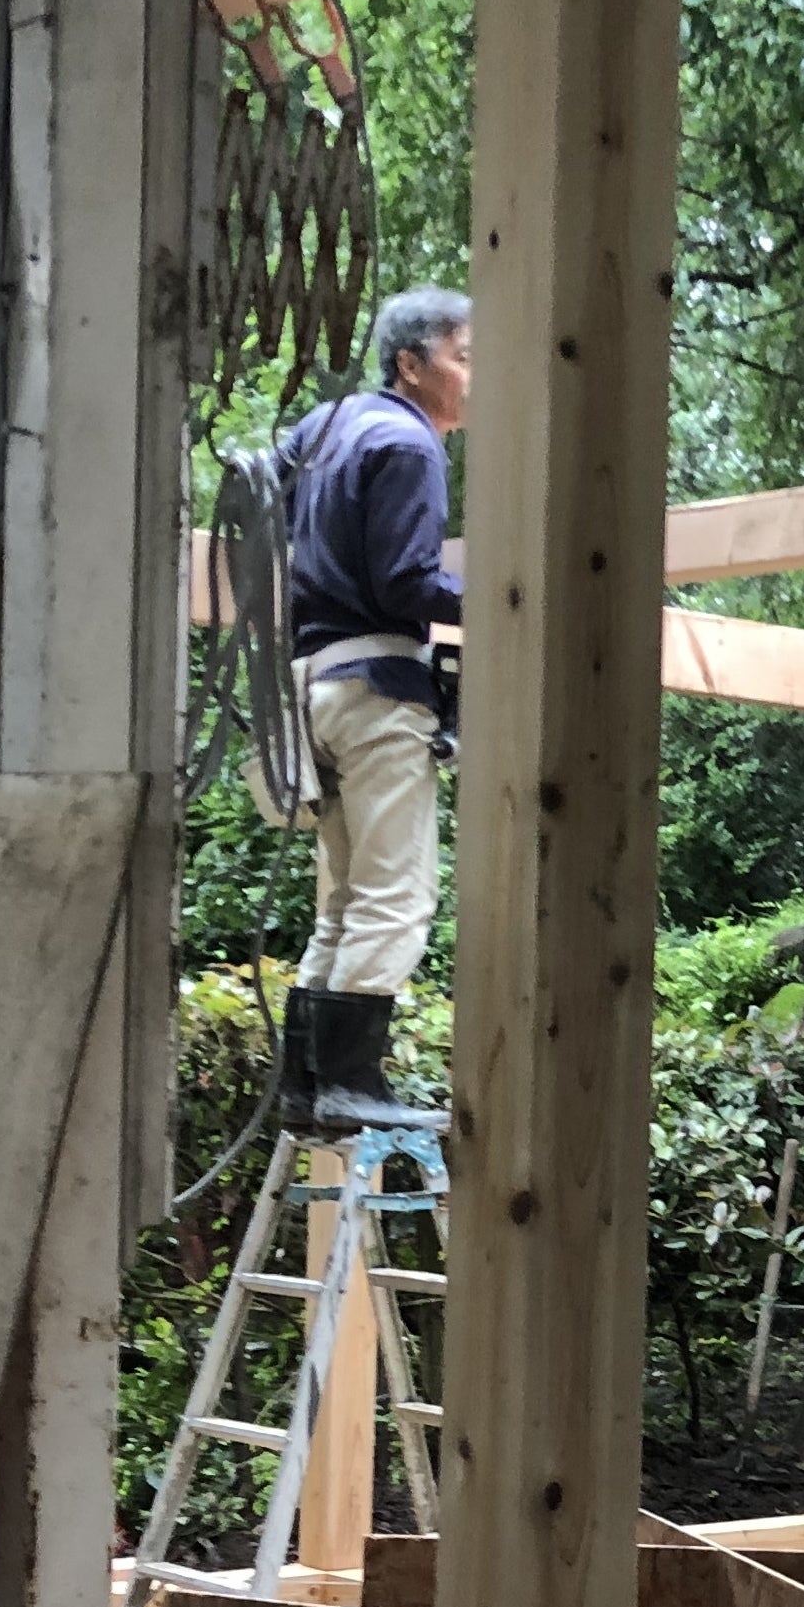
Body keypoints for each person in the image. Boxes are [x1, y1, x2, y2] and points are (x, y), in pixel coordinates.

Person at [275, 285, 471, 1134]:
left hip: (311, 688)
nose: (476, 378)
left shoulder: (324, 429)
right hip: (378, 692)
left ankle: (304, 1087)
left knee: (346, 900)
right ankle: (351, 1082)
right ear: (411, 364)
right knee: (396, 897)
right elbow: (405, 584)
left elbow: (272, 494)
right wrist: (509, 597)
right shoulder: (409, 443)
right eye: (465, 358)